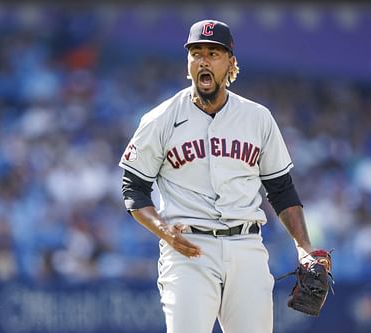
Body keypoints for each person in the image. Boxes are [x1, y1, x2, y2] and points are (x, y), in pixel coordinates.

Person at [119, 19, 316, 333]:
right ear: (188, 63)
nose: (203, 61)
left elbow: (281, 189)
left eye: (213, 53)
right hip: (188, 250)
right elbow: (134, 188)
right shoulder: (160, 119)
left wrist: (304, 248)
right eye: (196, 53)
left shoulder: (258, 118)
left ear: (231, 64)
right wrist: (163, 230)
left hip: (247, 248)